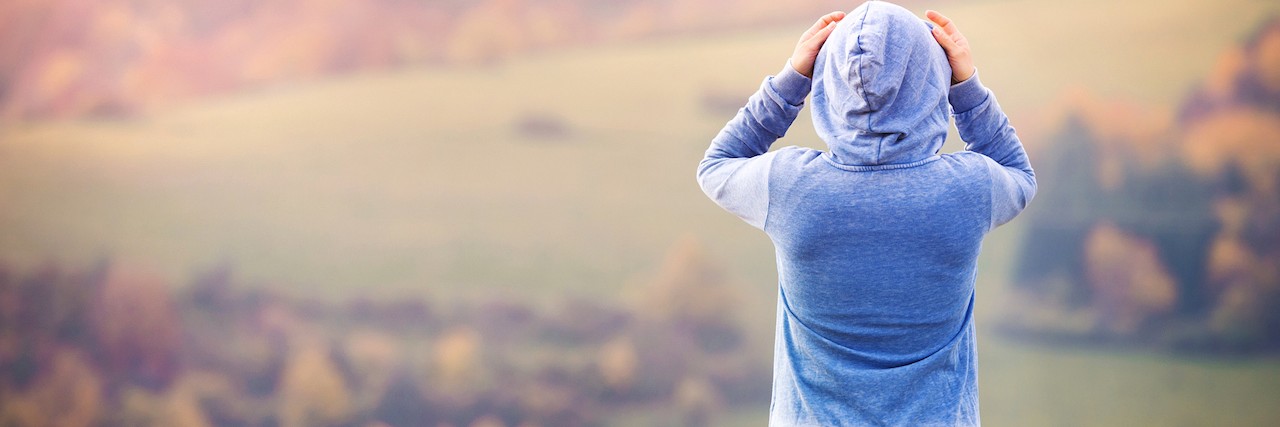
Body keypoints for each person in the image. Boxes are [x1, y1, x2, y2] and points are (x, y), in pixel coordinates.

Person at [696, 1, 1036, 425]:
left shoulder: (790, 188)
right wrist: (966, 87)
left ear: (827, 83)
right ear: (934, 81)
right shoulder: (967, 189)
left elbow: (717, 164)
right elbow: (1019, 174)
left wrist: (790, 83)